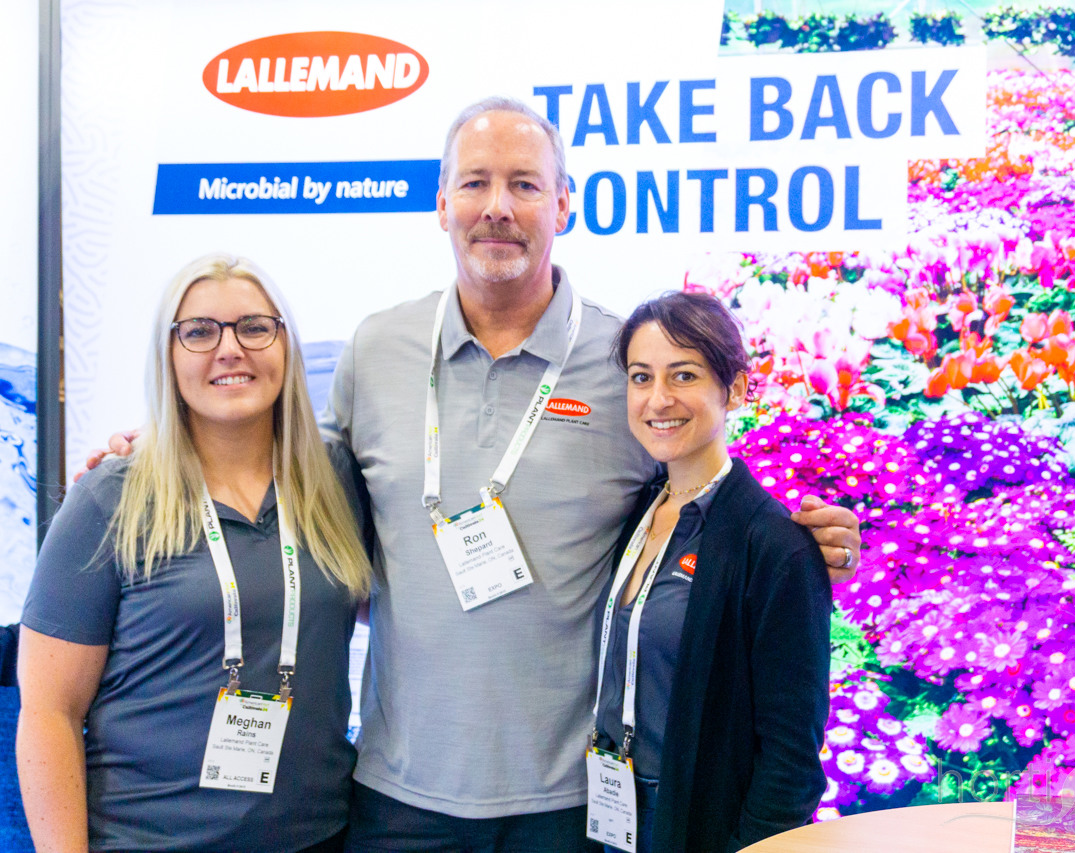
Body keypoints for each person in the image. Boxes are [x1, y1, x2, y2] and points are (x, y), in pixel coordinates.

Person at [91, 97, 861, 853]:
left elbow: (691, 485)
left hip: (568, 803)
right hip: (396, 795)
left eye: (524, 184)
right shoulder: (377, 348)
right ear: (441, 204)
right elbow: (288, 472)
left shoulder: (620, 360)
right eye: (474, 182)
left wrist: (786, 543)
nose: (498, 206)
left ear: (564, 204)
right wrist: (172, 440)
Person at [19, 253, 372, 853]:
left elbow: (383, 602)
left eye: (254, 327)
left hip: (318, 835)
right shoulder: (112, 498)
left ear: (285, 345)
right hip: (148, 839)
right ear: (169, 356)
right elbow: (50, 712)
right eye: (200, 332)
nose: (230, 349)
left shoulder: (333, 478)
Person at [588, 292, 830, 853]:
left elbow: (792, 756)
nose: (658, 399)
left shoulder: (773, 543)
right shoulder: (637, 513)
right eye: (642, 377)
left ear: (735, 389)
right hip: (610, 809)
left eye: (684, 375)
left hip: (695, 821)